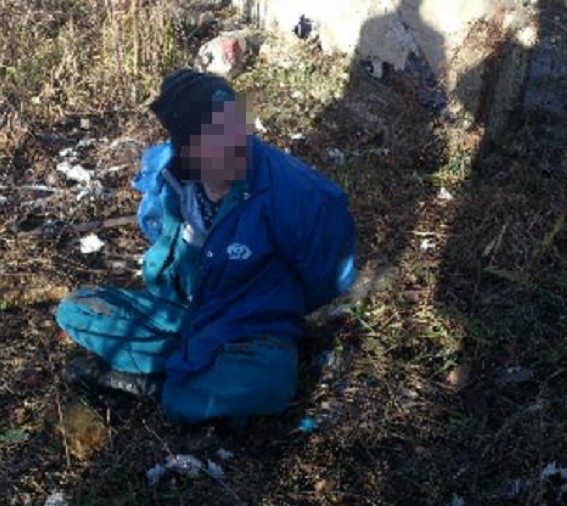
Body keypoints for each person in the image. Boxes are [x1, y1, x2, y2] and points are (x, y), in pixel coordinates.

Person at [55, 68, 358, 426]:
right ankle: (192, 365)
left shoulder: (298, 194)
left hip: (251, 327)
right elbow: (157, 232)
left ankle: (159, 387)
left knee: (266, 384)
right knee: (76, 309)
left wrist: (273, 309)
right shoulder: (169, 176)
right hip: (184, 312)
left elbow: (330, 276)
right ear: (185, 148)